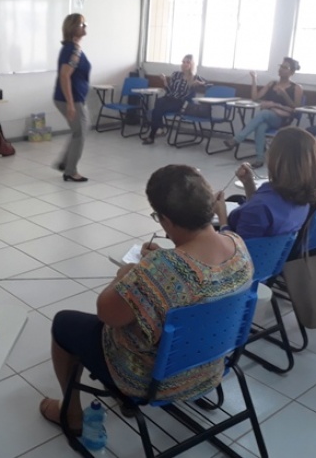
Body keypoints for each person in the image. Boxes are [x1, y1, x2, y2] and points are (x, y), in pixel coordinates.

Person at [38, 165, 253, 437]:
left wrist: (125, 275)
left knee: (64, 323)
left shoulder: (160, 269)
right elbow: (196, 280)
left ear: (166, 220)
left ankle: (71, 414)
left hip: (152, 381)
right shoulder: (237, 244)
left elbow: (107, 313)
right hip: (212, 367)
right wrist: (157, 264)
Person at [215, 127, 316, 239]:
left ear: (278, 158)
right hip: (274, 251)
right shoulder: (303, 200)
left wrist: (222, 217)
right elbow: (261, 215)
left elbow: (238, 248)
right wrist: (249, 184)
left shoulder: (259, 207)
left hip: (234, 247)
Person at [224, 58, 304, 168]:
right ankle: (259, 159)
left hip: (282, 119)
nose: (281, 69)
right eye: (281, 66)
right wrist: (254, 79)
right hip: (268, 116)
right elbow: (255, 97)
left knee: (264, 113)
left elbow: (296, 108)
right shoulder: (272, 84)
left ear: (292, 72)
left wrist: (279, 99)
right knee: (260, 127)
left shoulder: (296, 87)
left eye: (285, 67)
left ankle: (237, 139)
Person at [54, 13, 91, 182]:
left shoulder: (74, 47)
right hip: (71, 99)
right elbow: (65, 75)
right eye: (82, 25)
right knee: (80, 133)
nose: (85, 27)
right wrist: (70, 103)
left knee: (80, 130)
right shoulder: (72, 50)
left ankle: (65, 162)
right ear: (73, 28)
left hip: (76, 98)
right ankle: (70, 171)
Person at [141, 54, 206, 145]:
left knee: (156, 110)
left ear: (192, 64)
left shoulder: (195, 77)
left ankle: (156, 132)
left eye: (188, 62)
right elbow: (169, 90)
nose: (185, 64)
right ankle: (155, 133)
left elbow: (208, 85)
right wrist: (165, 81)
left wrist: (200, 83)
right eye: (183, 62)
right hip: (169, 98)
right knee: (159, 103)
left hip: (180, 102)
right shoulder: (176, 74)